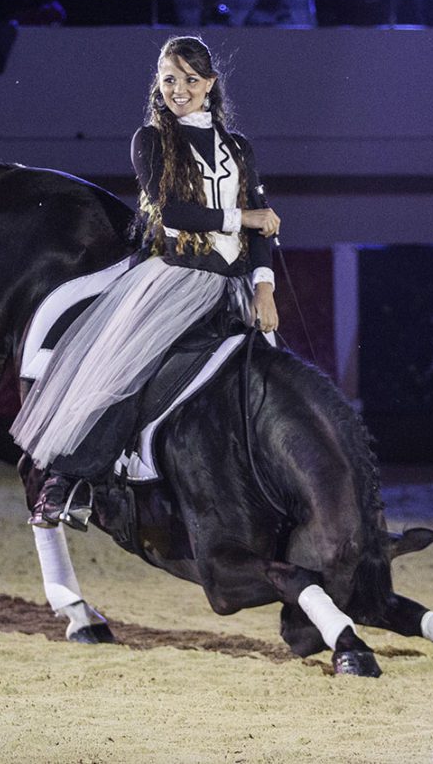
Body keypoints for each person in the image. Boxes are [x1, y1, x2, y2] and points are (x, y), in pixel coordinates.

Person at [15, 36, 281, 528]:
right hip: (177, 279)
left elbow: (262, 224)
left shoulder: (239, 148)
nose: (179, 89)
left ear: (210, 84)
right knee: (134, 367)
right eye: (169, 79)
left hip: (237, 284)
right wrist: (243, 217)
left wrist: (264, 286)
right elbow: (174, 212)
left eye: (190, 79)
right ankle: (71, 480)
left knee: (278, 382)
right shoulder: (151, 141)